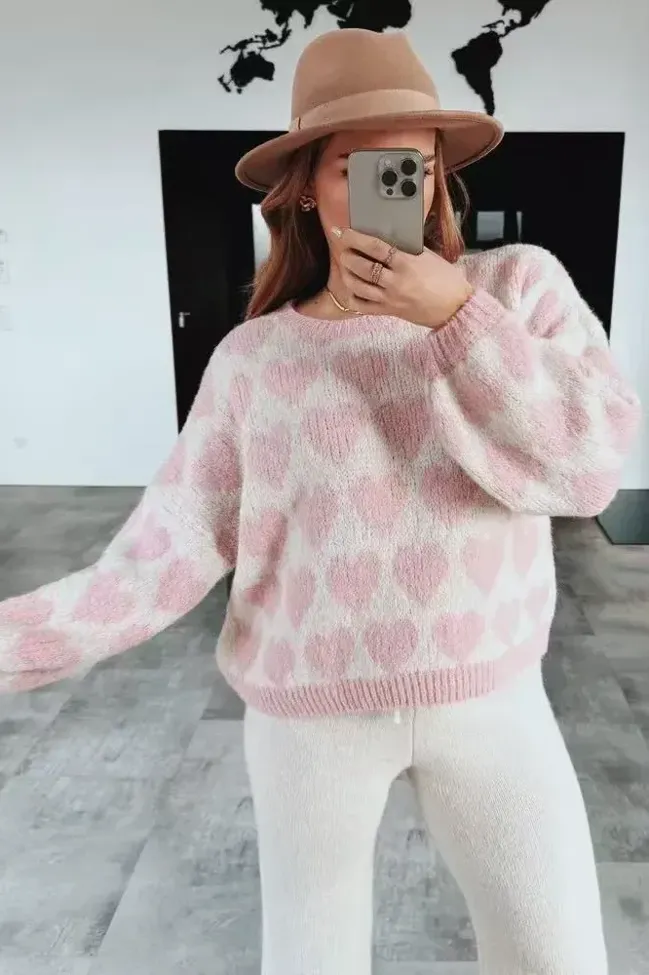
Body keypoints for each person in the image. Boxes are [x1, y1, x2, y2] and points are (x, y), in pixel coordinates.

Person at [0, 27, 642, 975]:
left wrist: (454, 318)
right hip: (310, 720)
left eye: (414, 167)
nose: (396, 189)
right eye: (359, 167)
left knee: (560, 958)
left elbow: (586, 466)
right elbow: (159, 555)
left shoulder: (516, 288)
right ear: (304, 185)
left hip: (493, 697)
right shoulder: (255, 361)